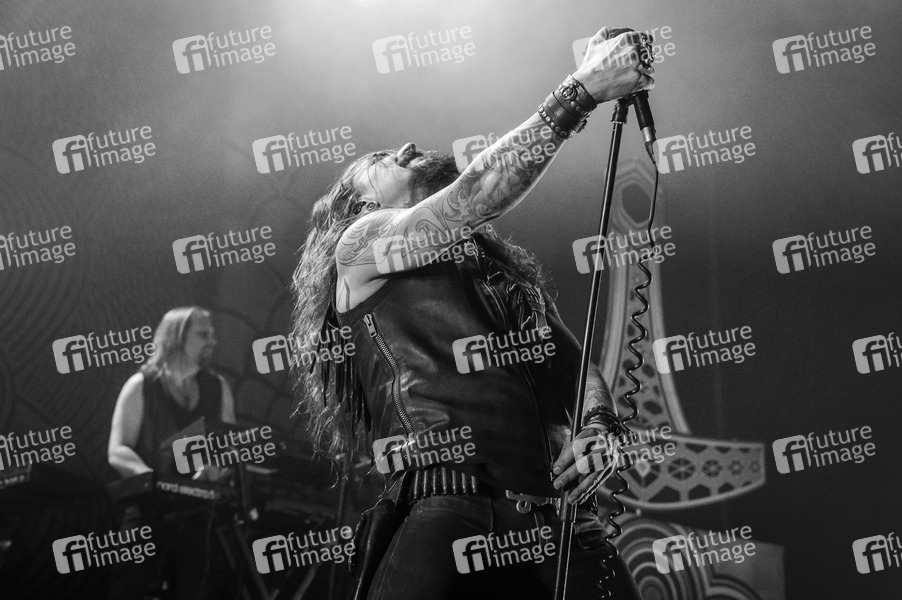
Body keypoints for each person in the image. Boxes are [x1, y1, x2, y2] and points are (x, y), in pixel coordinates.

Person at [290, 27, 653, 599]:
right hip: (451, 503)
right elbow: (479, 191)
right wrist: (580, 91)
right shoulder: (360, 245)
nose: (407, 146)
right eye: (383, 160)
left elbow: (572, 366)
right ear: (360, 204)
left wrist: (597, 425)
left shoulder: (499, 271)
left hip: (556, 520)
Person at [107, 306, 236, 599]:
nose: (212, 341)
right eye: (203, 334)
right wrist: (155, 482)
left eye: (213, 335)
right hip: (148, 510)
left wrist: (216, 468)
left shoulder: (218, 388)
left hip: (198, 512)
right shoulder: (141, 385)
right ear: (176, 337)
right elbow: (118, 450)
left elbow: (228, 447)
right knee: (128, 589)